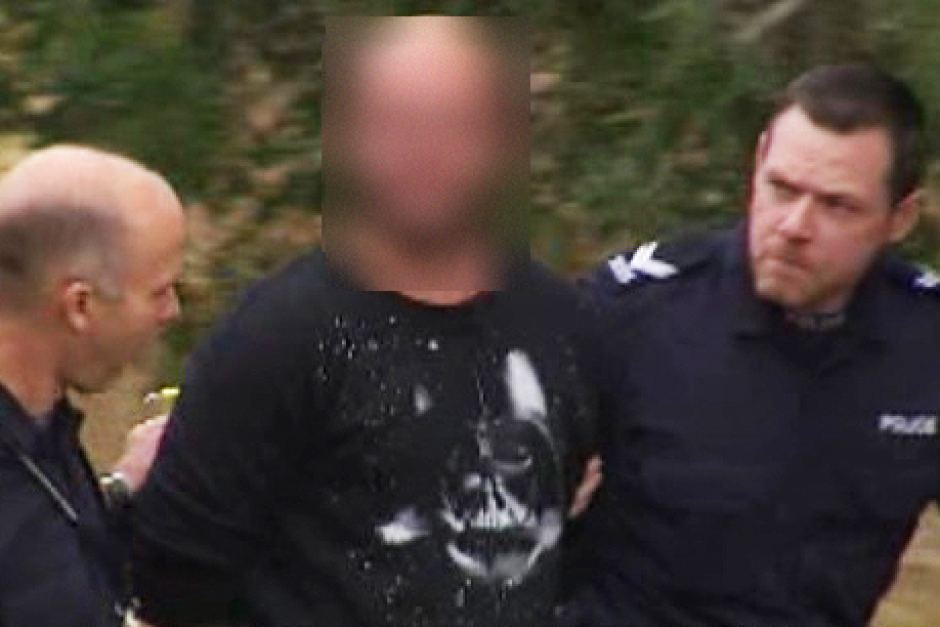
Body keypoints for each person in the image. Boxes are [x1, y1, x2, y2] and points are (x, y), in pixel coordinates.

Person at [132, 16, 600, 627]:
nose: (423, 152)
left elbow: (584, 544)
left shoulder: (566, 328)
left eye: (454, 123)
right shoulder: (278, 335)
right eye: (394, 124)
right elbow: (173, 574)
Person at [570, 63, 939, 627]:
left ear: (900, 217)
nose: (794, 226)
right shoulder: (638, 311)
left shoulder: (925, 343)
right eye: (781, 188)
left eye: (836, 205)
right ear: (760, 158)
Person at [0, 145, 185, 626]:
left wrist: (123, 489)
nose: (172, 311)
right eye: (159, 291)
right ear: (79, 306)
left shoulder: (41, 428)